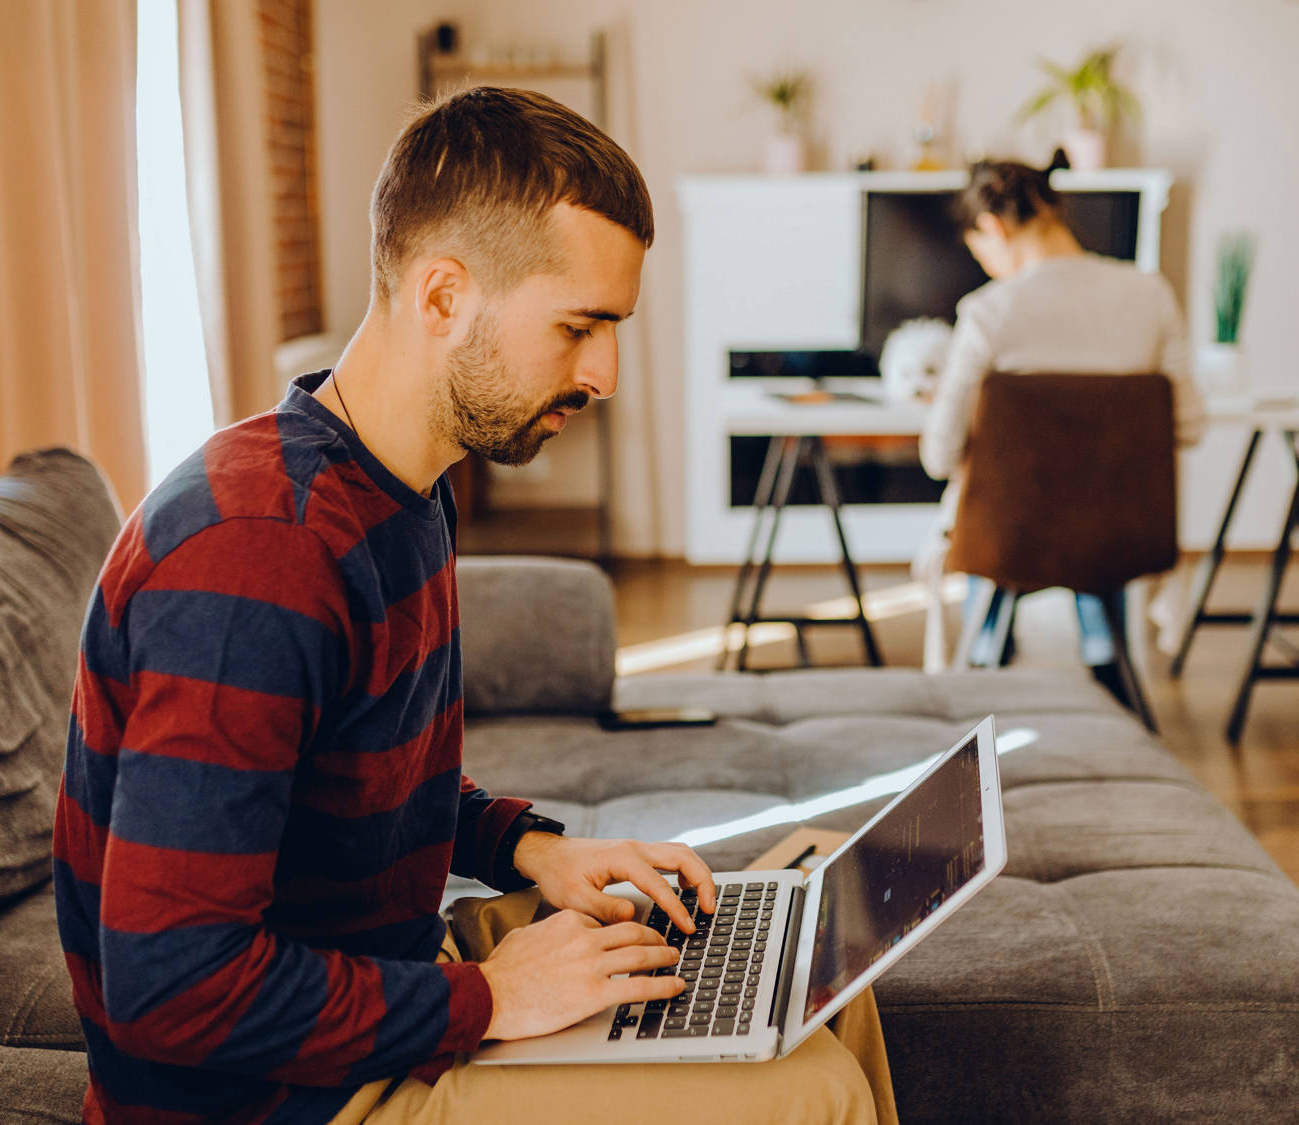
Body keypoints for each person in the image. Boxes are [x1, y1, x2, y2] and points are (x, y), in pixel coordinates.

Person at [53, 87, 895, 1125]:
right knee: (813, 1094)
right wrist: (495, 995)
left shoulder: (398, 489)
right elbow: (170, 986)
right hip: (278, 1100)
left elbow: (353, 785)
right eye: (579, 326)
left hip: (385, 986)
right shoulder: (256, 561)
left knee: (810, 979)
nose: (606, 374)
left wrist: (532, 849)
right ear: (442, 295)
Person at [917, 159, 1204, 698]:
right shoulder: (1151, 295)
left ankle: (983, 661)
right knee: (1090, 526)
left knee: (995, 517)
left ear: (993, 228)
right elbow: (1189, 425)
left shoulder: (988, 312)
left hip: (1009, 542)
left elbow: (938, 455)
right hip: (1123, 537)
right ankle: (1106, 665)